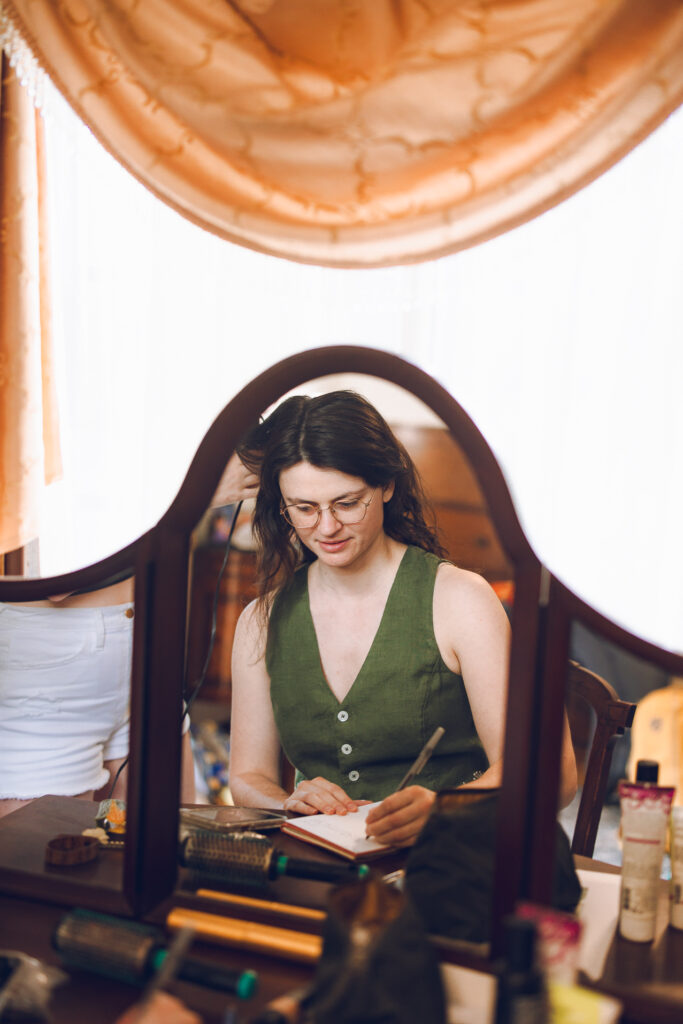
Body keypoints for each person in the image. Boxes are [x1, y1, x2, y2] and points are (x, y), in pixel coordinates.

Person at [229, 392, 577, 848]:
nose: (326, 528)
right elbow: (248, 777)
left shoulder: (460, 600)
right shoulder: (262, 619)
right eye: (304, 508)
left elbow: (552, 778)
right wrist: (285, 802)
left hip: (460, 857)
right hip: (328, 864)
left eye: (348, 503)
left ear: (387, 486)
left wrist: (445, 811)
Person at [0, 452, 259, 821]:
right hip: (54, 670)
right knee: (48, 858)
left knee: (165, 848)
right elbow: (64, 566)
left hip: (144, 647)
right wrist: (194, 496)